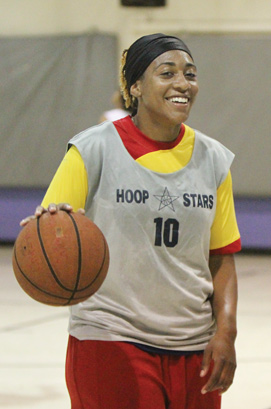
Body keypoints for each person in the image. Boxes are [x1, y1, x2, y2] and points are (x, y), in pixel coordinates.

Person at [20, 33, 241, 409]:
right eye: (167, 73)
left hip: (193, 346)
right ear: (135, 86)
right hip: (112, 338)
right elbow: (49, 231)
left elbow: (220, 257)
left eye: (190, 74)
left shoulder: (214, 159)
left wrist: (226, 332)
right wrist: (47, 227)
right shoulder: (92, 149)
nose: (182, 84)